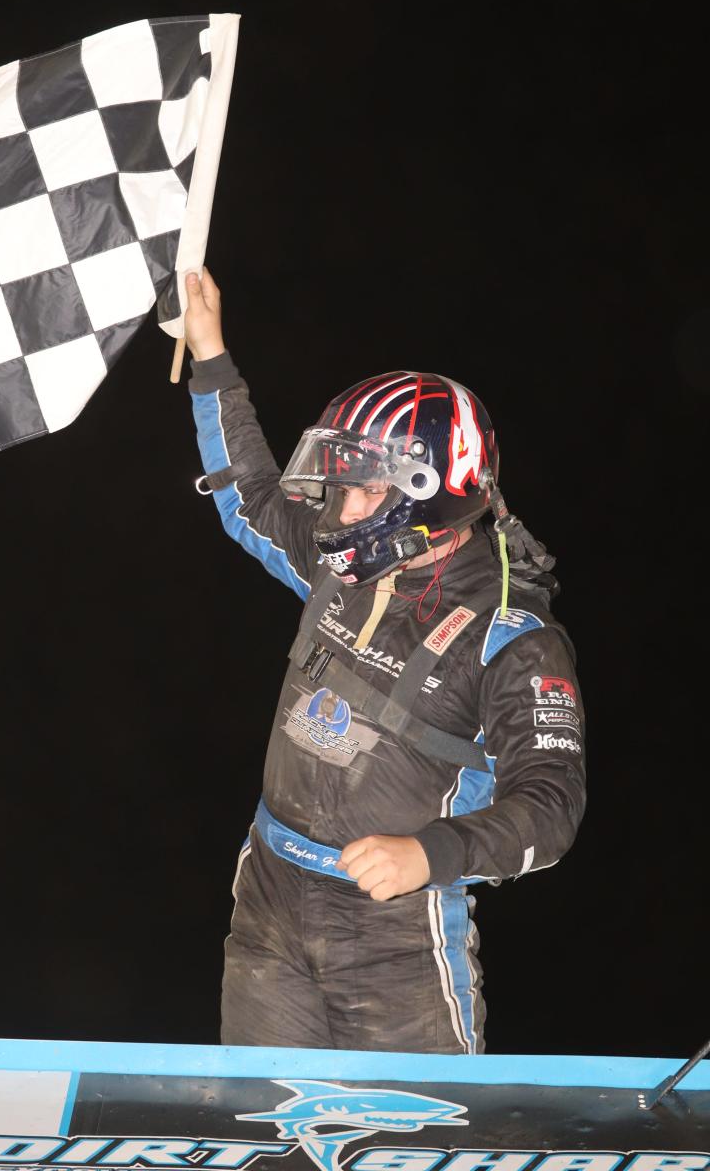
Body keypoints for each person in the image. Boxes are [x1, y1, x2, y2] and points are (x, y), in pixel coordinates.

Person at [183, 268, 586, 1054]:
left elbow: (552, 807)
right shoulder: (344, 563)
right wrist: (210, 358)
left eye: (365, 493)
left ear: (428, 497)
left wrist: (428, 855)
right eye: (341, 489)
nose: (341, 512)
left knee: (412, 1139)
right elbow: (250, 497)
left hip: (395, 940)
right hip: (269, 898)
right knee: (267, 1135)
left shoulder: (513, 637)